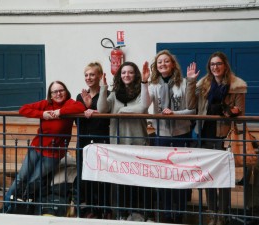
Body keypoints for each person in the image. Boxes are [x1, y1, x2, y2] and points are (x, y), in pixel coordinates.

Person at [0, 80, 86, 213]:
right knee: (20, 178)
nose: (58, 93)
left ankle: (18, 209)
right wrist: (42, 114)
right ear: (50, 95)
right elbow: (23, 109)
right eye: (54, 91)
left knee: (32, 181)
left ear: (66, 92)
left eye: (61, 90)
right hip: (36, 148)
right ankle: (4, 209)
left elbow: (80, 107)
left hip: (53, 154)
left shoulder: (70, 103)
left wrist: (60, 112)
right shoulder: (45, 104)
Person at [186, 51, 247, 225]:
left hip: (224, 137)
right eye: (212, 64)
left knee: (223, 177)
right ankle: (212, 213)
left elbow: (241, 111)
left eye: (218, 64)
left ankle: (224, 215)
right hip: (204, 135)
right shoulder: (204, 83)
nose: (215, 67)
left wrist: (231, 111)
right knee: (208, 176)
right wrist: (190, 81)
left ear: (225, 65)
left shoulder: (236, 85)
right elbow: (190, 105)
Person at [142, 49, 195, 224]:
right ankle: (165, 213)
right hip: (161, 135)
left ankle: (179, 213)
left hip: (182, 134)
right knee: (164, 174)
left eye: (166, 61)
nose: (163, 64)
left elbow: (192, 110)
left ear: (172, 64)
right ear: (156, 67)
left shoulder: (184, 83)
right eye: (159, 62)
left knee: (180, 175)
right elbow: (144, 105)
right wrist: (144, 82)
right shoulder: (153, 85)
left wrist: (175, 113)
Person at [97, 61, 152, 221]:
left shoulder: (142, 90)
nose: (126, 75)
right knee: (121, 182)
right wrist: (103, 88)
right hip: (118, 144)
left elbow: (143, 107)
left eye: (130, 72)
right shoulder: (114, 94)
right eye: (123, 72)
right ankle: (122, 213)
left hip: (138, 143)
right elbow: (101, 109)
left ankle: (141, 213)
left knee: (139, 182)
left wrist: (122, 110)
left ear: (135, 75)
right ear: (119, 76)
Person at [74, 62, 111, 218]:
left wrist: (94, 111)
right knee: (85, 176)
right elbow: (78, 121)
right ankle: (88, 209)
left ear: (100, 76)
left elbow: (106, 120)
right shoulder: (79, 96)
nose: (88, 78)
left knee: (102, 177)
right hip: (83, 141)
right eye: (86, 75)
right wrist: (84, 109)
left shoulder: (108, 94)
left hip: (101, 140)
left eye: (92, 74)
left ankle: (104, 209)